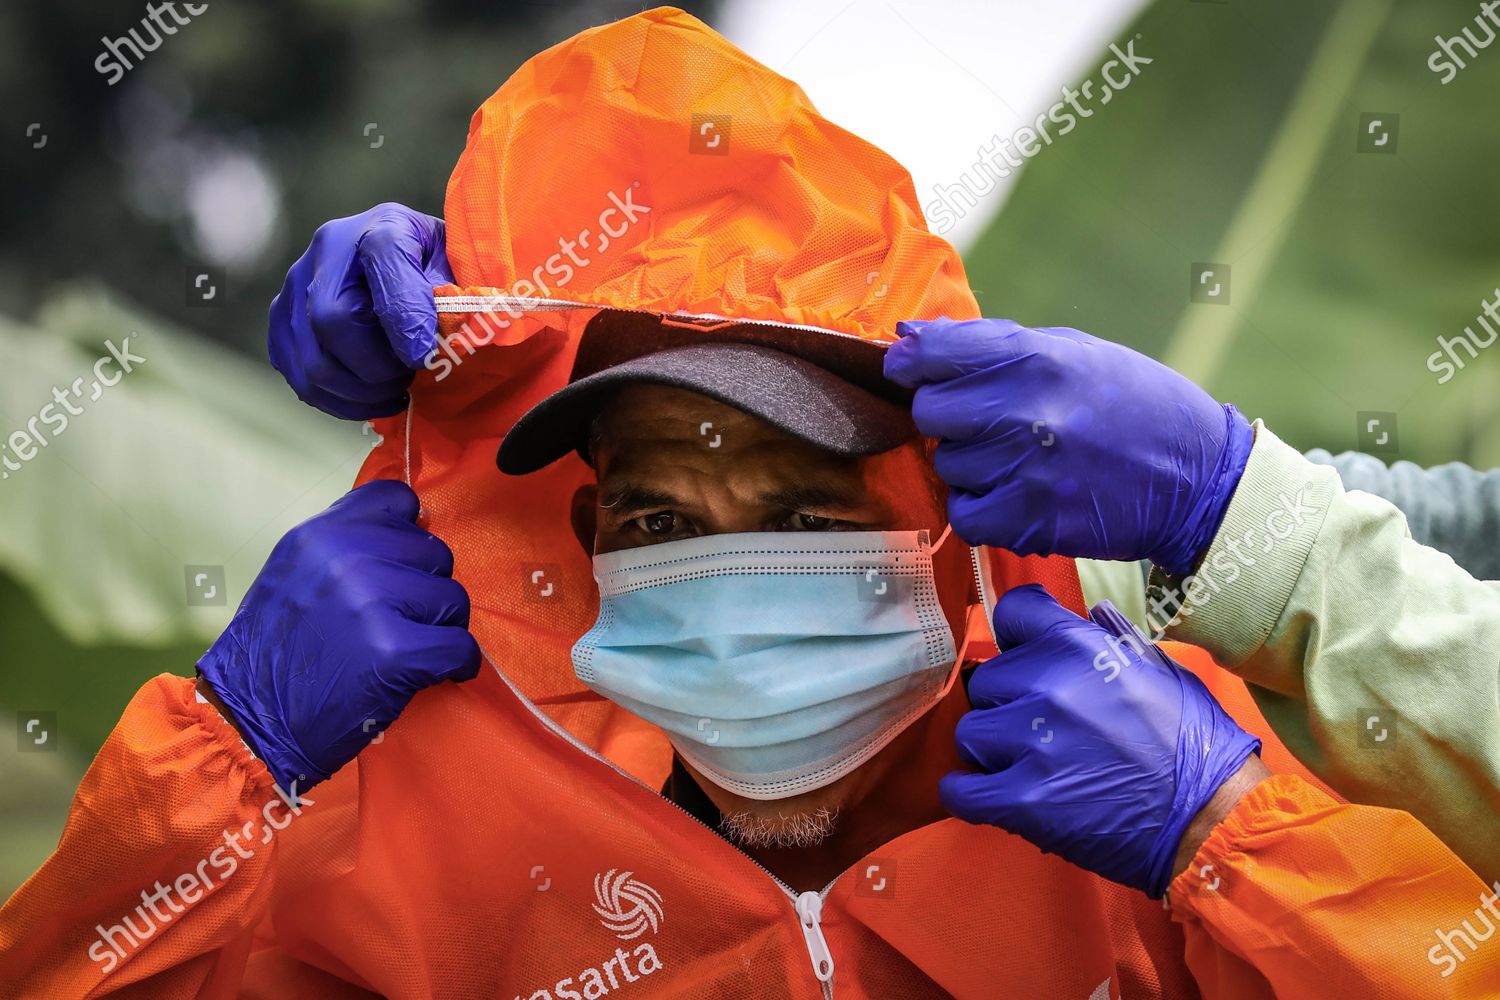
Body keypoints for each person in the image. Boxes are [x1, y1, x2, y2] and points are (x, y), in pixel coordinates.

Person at [3, 9, 1495, 998]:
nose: (730, 585)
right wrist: (229, 759)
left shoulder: (1164, 818)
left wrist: (1229, 844)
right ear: (582, 548)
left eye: (801, 510)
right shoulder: (432, 864)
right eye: (659, 518)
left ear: (937, 527)